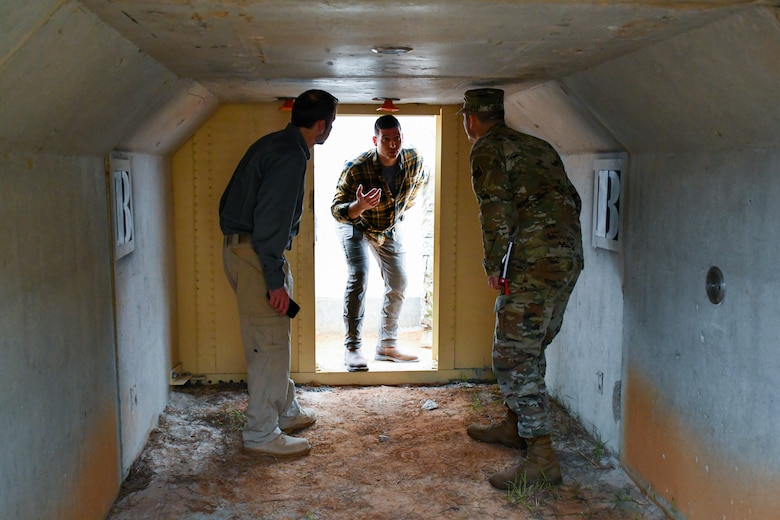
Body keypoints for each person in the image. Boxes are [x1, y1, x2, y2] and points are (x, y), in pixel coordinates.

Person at [458, 88, 584, 489]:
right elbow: (573, 199)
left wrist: (496, 264)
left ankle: (542, 458)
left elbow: (495, 208)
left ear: (471, 119)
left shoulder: (486, 149)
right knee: (530, 347)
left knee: (512, 355)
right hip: (567, 257)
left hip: (533, 261)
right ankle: (516, 426)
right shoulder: (537, 144)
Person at [219, 89, 339, 458]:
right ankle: (260, 433)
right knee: (269, 341)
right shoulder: (290, 157)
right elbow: (270, 221)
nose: (328, 129)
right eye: (330, 123)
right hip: (257, 254)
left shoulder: (275, 144)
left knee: (273, 335)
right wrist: (273, 279)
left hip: (247, 250)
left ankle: (284, 411)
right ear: (321, 125)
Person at [331, 115, 428, 372]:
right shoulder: (356, 167)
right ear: (376, 140)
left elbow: (417, 185)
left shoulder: (414, 159)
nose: (393, 144)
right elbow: (337, 210)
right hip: (356, 225)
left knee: (399, 281)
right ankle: (352, 348)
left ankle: (387, 345)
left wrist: (398, 213)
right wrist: (359, 206)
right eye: (386, 140)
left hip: (387, 227)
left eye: (397, 138)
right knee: (359, 275)